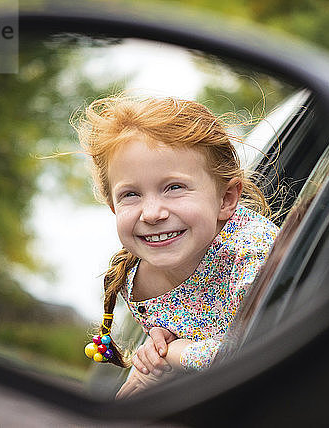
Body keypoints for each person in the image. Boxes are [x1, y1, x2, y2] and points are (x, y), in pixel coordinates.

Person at [77, 95, 279, 398]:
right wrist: (160, 347)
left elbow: (250, 355)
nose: (152, 213)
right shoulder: (139, 279)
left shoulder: (252, 251)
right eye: (131, 194)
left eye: (174, 188)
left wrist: (171, 352)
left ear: (226, 199)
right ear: (113, 208)